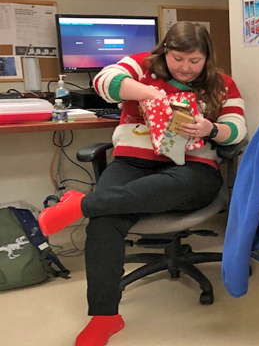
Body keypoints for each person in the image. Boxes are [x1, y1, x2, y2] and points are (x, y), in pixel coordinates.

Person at [38, 21, 246, 346]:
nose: (186, 68)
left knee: (160, 189)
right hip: (133, 162)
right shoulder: (144, 66)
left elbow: (237, 126)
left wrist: (211, 129)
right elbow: (104, 82)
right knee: (105, 222)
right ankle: (106, 317)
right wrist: (149, 93)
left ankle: (79, 205)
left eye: (195, 61)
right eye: (178, 59)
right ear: (166, 51)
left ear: (207, 57)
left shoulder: (221, 84)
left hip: (192, 168)